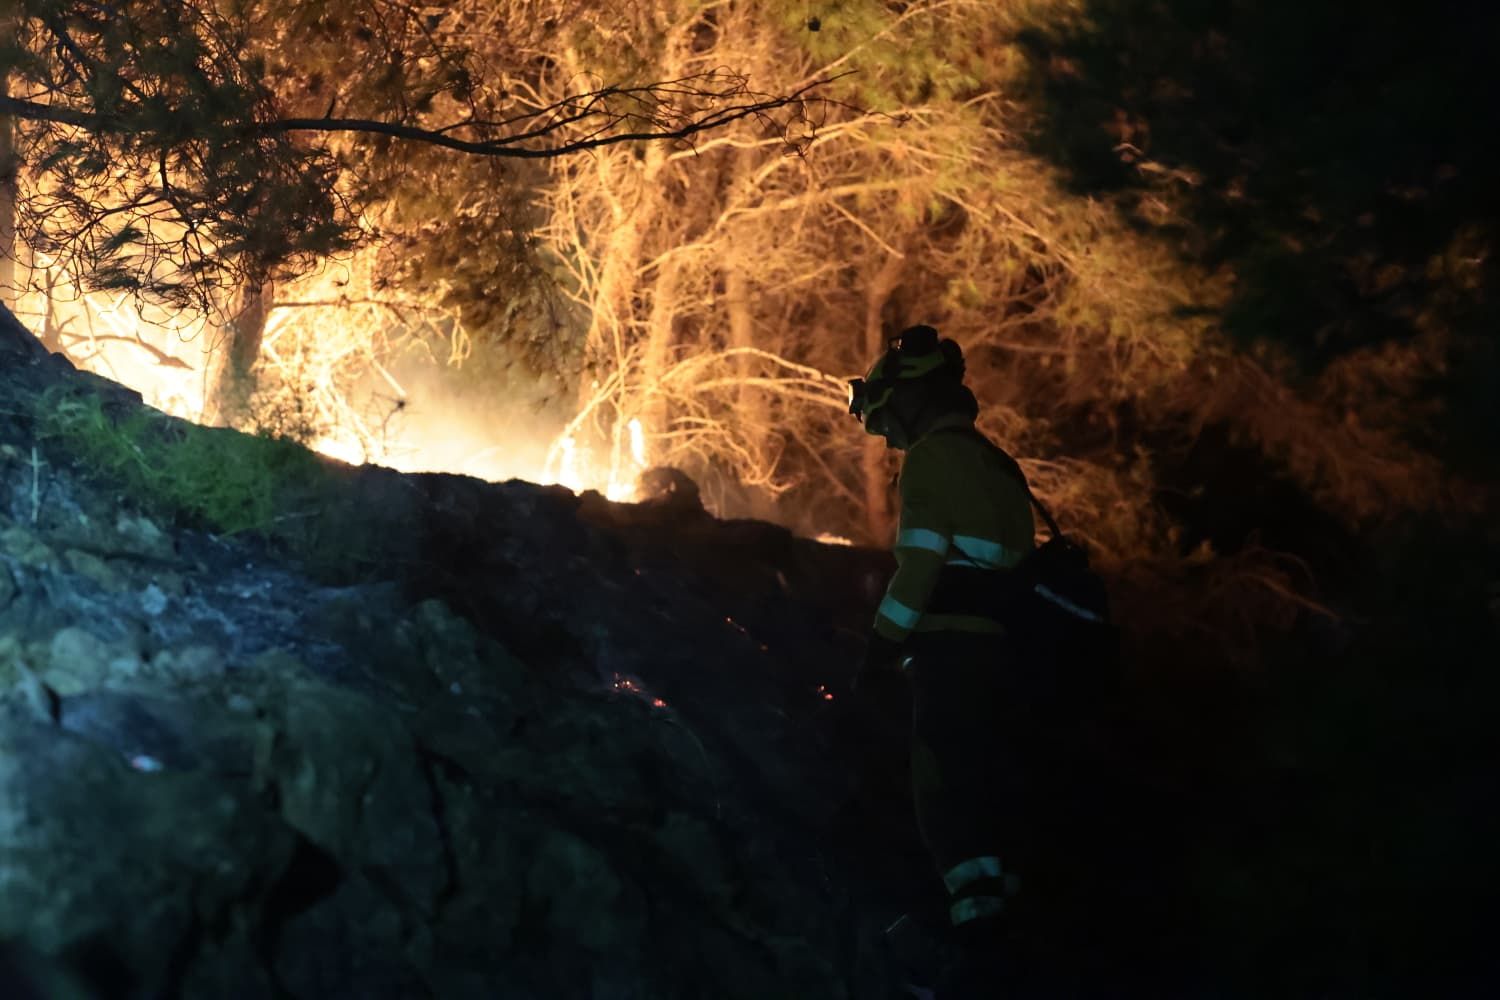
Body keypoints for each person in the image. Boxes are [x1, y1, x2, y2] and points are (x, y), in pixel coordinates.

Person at [847, 324, 1042, 994]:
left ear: (911, 398)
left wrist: (880, 648)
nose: (887, 438)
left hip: (951, 655)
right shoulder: (997, 464)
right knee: (991, 790)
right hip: (1007, 657)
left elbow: (921, 569)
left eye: (887, 418)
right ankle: (1009, 931)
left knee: (945, 790)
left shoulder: (932, 459)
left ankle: (979, 951)